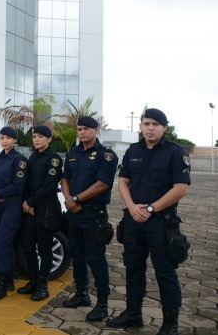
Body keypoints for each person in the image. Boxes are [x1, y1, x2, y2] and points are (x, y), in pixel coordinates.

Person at [107, 108, 190, 335]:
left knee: (164, 272)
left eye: (155, 124)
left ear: (164, 127)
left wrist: (152, 208)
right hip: (133, 219)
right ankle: (133, 315)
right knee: (133, 269)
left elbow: (181, 187)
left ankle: (170, 324)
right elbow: (123, 182)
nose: (150, 128)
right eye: (146, 123)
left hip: (160, 223)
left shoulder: (175, 152)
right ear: (141, 126)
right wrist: (133, 207)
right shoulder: (133, 150)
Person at [61, 116, 118, 322]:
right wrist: (68, 199)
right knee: (76, 256)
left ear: (96, 130)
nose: (82, 132)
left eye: (86, 128)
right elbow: (65, 177)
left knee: (96, 260)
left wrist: (76, 199)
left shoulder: (107, 155)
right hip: (74, 213)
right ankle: (82, 294)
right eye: (79, 129)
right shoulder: (73, 153)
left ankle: (102, 304)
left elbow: (103, 184)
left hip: (93, 214)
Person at [17, 125, 62, 301]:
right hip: (30, 210)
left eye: (40, 136)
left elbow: (49, 186)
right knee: (28, 246)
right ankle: (34, 280)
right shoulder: (33, 156)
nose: (36, 139)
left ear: (49, 139)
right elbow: (27, 183)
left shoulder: (54, 159)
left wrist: (30, 202)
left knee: (44, 248)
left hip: (46, 210)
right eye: (34, 136)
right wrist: (26, 203)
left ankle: (43, 285)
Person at [0, 126, 28, 302]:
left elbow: (18, 186)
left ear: (15, 140)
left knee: (2, 245)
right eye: (2, 137)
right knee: (6, 245)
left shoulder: (20, 160)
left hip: (11, 206)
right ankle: (8, 281)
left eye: (8, 138)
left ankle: (1, 284)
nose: (5, 141)